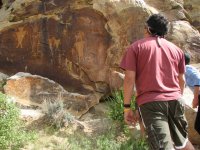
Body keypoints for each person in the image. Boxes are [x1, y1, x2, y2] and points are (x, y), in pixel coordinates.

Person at [120, 14, 194, 150]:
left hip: (151, 104)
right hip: (175, 100)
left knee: (161, 146)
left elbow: (129, 79)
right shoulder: (177, 50)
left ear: (148, 29)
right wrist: (178, 98)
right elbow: (181, 80)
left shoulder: (136, 48)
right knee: (182, 143)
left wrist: (127, 107)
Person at [184, 53, 200, 134]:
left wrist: (195, 99)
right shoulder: (187, 69)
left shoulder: (186, 68)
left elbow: (198, 80)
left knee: (198, 126)